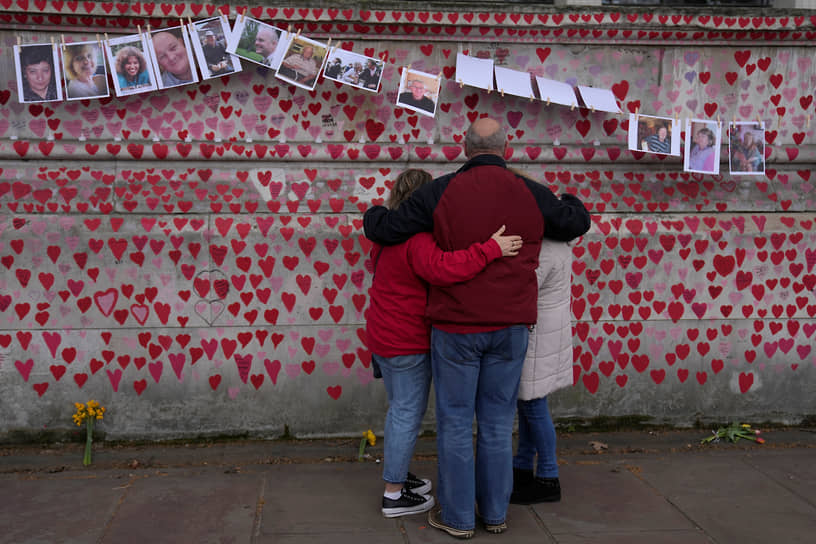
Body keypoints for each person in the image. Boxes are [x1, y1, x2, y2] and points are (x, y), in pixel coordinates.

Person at [363, 118, 590, 538]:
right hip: (511, 328)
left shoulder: (439, 191)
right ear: (509, 147)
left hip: (457, 328)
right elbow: (573, 222)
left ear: (463, 147)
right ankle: (495, 514)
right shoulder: (531, 193)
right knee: (498, 423)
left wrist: (374, 213)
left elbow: (389, 228)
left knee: (454, 422)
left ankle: (458, 518)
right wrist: (572, 199)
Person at [367, 169, 523, 519]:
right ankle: (393, 494)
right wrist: (490, 249)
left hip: (382, 335)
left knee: (400, 409)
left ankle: (398, 476)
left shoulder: (385, 233)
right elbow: (444, 269)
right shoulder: (417, 239)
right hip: (406, 340)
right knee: (407, 412)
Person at [510, 237, 574, 505]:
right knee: (529, 402)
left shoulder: (545, 249)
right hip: (546, 332)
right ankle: (523, 466)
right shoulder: (560, 244)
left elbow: (523, 286)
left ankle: (549, 476)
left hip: (538, 335)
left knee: (534, 405)